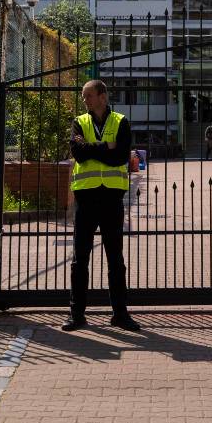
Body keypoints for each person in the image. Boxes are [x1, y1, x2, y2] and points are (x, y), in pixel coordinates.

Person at [62, 79, 140, 332]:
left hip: (111, 200)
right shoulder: (79, 122)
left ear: (103, 96)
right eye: (84, 96)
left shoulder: (121, 121)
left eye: (89, 96)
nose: (85, 100)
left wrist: (93, 148)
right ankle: (77, 315)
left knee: (115, 259)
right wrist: (106, 146)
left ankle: (120, 314)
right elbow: (78, 152)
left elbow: (121, 156)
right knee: (79, 259)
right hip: (85, 199)